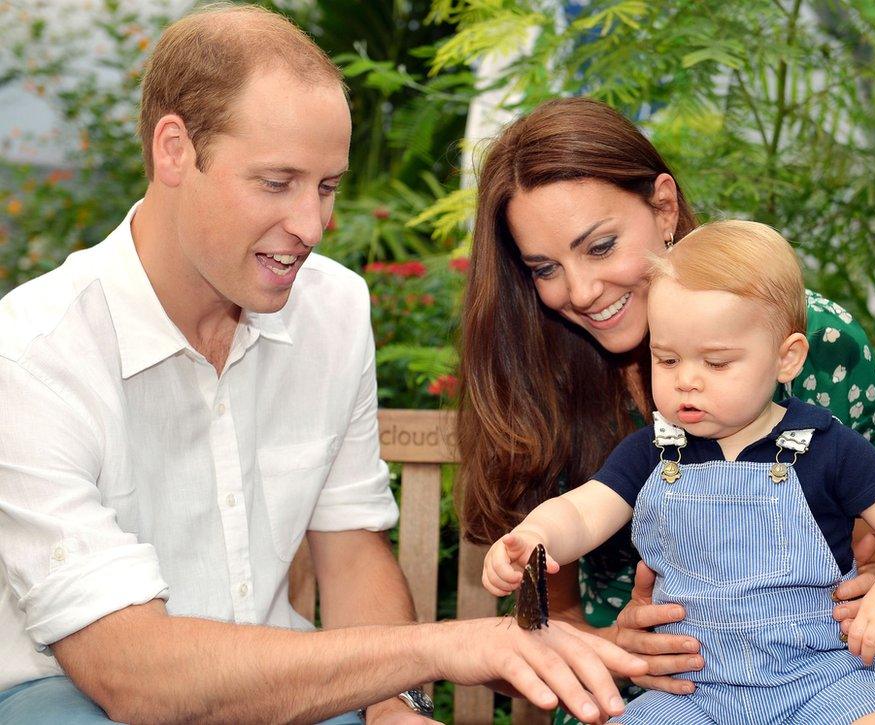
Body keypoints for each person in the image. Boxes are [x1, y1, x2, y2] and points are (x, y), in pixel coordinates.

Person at [0, 7, 649, 724]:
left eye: (328, 186)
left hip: (293, 692)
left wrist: (394, 706)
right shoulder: (31, 354)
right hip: (70, 699)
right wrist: (440, 647)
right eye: (278, 183)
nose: (313, 226)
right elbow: (130, 674)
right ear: (174, 150)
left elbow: (349, 553)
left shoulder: (333, 307)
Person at [456, 97, 875, 721]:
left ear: (663, 207)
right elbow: (542, 628)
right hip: (644, 699)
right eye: (546, 268)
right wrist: (617, 649)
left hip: (811, 683)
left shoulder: (813, 342)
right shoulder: (543, 379)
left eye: (602, 246)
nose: (581, 291)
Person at [482, 220, 875, 723]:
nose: (687, 381)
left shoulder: (823, 445)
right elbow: (582, 511)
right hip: (690, 689)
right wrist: (537, 536)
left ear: (786, 358)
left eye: (717, 363)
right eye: (666, 358)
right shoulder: (654, 452)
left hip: (823, 676)